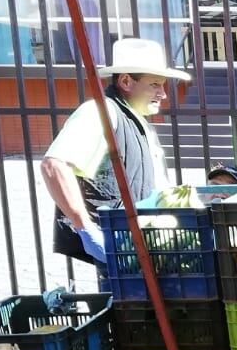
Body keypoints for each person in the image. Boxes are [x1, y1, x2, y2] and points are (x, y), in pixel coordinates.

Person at [40, 37, 189, 266]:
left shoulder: (139, 123)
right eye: (155, 85)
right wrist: (86, 228)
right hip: (117, 248)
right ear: (126, 81)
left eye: (163, 85)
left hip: (143, 246)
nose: (163, 94)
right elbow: (54, 166)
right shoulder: (101, 112)